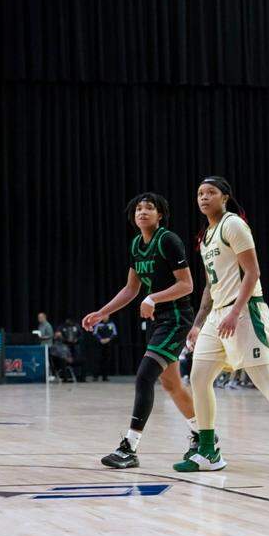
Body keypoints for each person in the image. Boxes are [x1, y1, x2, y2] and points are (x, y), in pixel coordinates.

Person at [174, 177, 269, 477]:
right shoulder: (205, 236)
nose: (204, 198)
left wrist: (236, 311)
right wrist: (198, 323)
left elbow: (253, 271)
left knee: (265, 378)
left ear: (225, 197)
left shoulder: (233, 225)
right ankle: (208, 450)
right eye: (200, 194)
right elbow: (209, 285)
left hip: (243, 311)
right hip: (218, 314)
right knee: (199, 376)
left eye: (210, 193)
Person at [83, 193, 200, 469]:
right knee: (172, 384)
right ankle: (203, 435)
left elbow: (187, 285)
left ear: (160, 215)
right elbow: (131, 288)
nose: (143, 212)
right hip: (159, 320)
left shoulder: (168, 240)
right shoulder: (137, 244)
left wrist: (154, 298)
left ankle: (129, 447)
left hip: (176, 317)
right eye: (138, 208)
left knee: (144, 376)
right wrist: (103, 312)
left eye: (150, 208)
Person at [92, 316, 117, 381]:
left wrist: (109, 339)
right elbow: (95, 333)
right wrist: (100, 339)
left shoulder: (111, 324)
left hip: (108, 345)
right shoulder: (98, 324)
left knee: (106, 361)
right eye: (104, 316)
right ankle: (95, 376)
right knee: (98, 360)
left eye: (107, 316)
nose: (105, 317)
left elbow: (114, 333)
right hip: (99, 345)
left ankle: (105, 377)